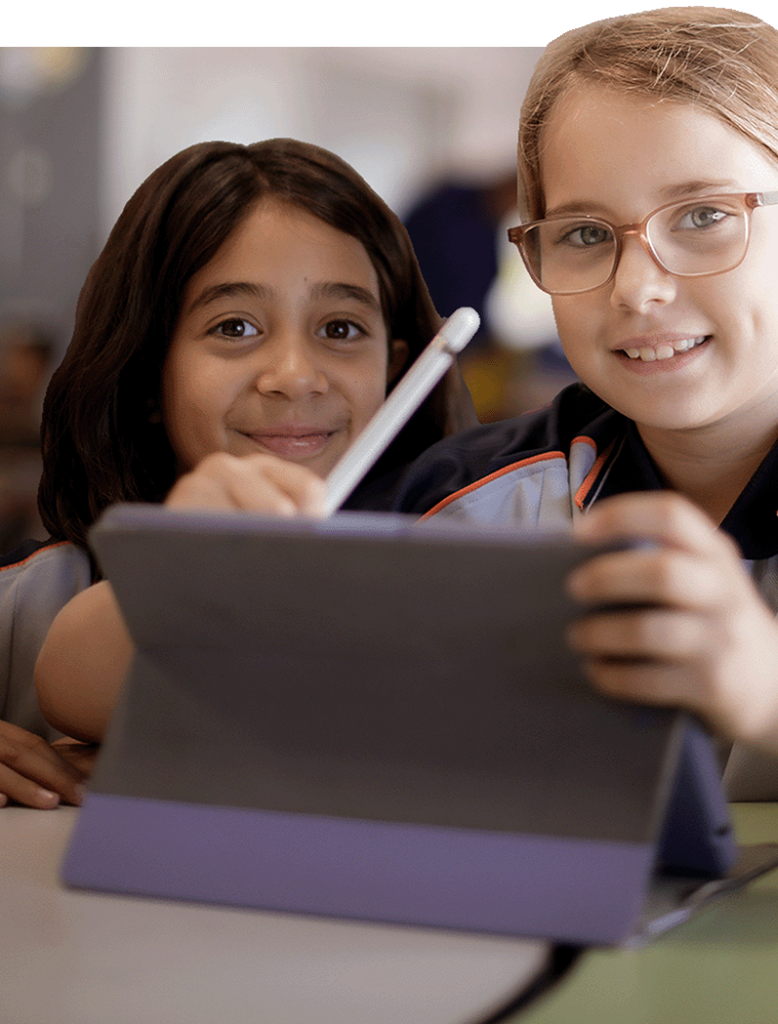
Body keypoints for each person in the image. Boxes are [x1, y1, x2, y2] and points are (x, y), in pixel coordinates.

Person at [387, 11, 778, 829]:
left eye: (702, 216)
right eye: (588, 233)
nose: (637, 288)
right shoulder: (458, 506)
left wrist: (777, 682)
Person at [7, 137, 474, 799]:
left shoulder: (468, 601)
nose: (294, 377)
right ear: (146, 375)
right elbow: (72, 682)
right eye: (234, 327)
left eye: (340, 329)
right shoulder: (30, 600)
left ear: (396, 371)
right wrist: (184, 565)